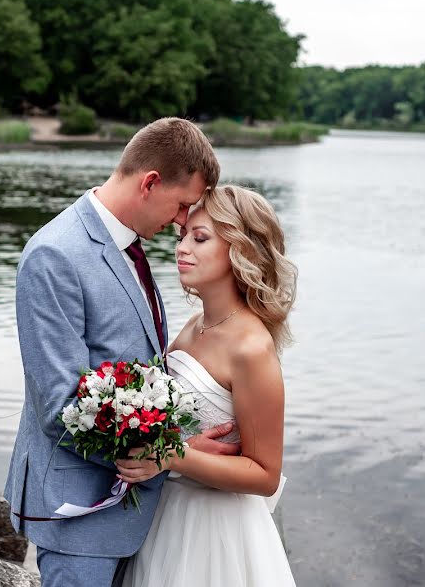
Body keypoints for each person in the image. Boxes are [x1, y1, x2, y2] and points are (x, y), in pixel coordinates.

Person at [4, 118, 237, 587]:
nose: (182, 222)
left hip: (131, 517)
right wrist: (173, 451)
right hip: (79, 517)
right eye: (182, 205)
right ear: (150, 183)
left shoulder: (127, 244)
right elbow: (62, 410)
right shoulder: (55, 255)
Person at [116, 184, 299, 586]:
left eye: (200, 239)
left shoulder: (251, 347)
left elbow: (265, 474)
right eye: (182, 235)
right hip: (165, 517)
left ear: (242, 250)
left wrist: (170, 455)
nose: (182, 247)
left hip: (217, 534)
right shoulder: (194, 325)